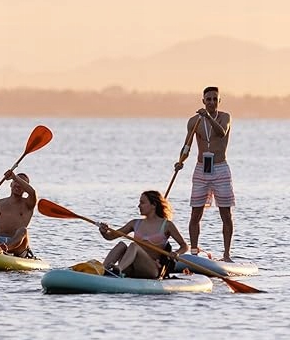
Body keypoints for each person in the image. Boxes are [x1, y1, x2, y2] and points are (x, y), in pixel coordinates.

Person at [174, 86, 234, 261]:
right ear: (203, 101)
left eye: (215, 99)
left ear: (219, 101)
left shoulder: (225, 117)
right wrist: (180, 161)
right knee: (196, 212)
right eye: (208, 99)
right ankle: (194, 252)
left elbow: (221, 133)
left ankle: (226, 255)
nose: (212, 102)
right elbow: (187, 145)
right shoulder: (194, 121)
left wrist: (207, 116)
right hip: (201, 168)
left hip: (220, 167)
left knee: (226, 213)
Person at [99, 190, 188, 279]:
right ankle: (102, 269)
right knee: (121, 245)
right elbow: (110, 237)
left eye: (142, 203)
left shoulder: (167, 225)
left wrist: (176, 253)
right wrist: (104, 232)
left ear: (153, 205)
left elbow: (184, 246)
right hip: (131, 267)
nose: (139, 206)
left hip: (151, 269)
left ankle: (118, 269)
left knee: (134, 246)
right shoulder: (134, 223)